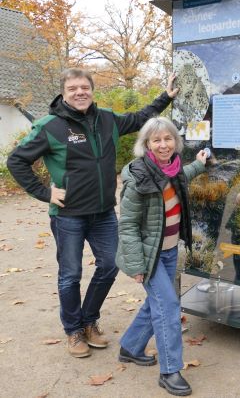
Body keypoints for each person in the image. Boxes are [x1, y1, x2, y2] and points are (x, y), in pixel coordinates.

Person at [7, 68, 179, 358]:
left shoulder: (107, 119)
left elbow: (140, 118)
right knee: (70, 274)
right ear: (64, 92)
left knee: (111, 265)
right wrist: (45, 192)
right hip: (68, 215)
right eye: (73, 88)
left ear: (92, 90)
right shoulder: (50, 126)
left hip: (103, 213)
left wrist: (166, 96)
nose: (79, 92)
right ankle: (73, 330)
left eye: (84, 87)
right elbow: (17, 161)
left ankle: (88, 320)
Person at [115, 117, 208, 396]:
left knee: (155, 303)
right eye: (156, 140)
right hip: (149, 256)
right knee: (167, 307)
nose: (163, 144)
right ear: (146, 145)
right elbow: (128, 224)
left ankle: (130, 347)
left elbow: (182, 176)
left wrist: (200, 164)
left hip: (168, 251)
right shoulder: (138, 176)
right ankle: (170, 371)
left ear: (175, 142)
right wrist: (136, 265)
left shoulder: (173, 169)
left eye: (168, 139)